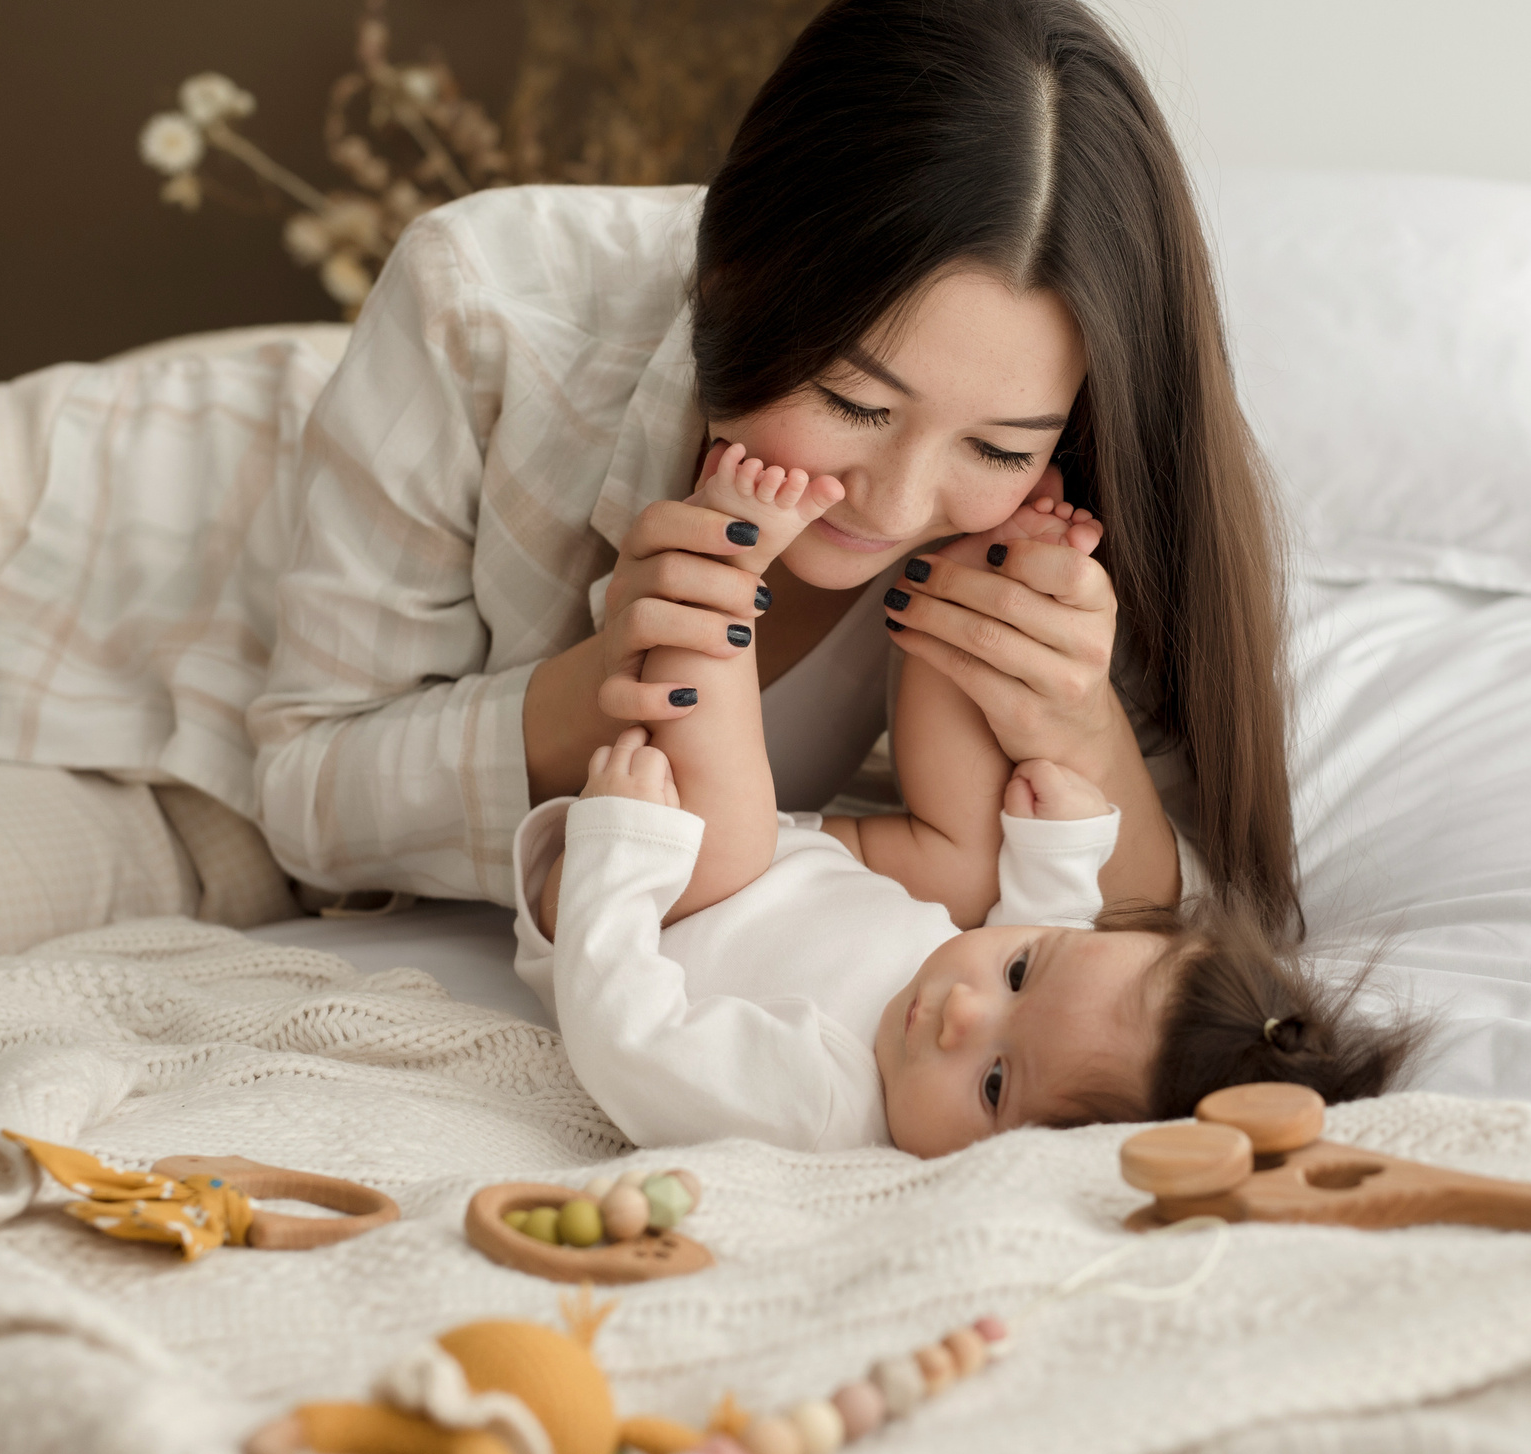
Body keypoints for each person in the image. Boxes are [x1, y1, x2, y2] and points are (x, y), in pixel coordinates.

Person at [0, 0, 1295, 1044]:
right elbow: (330, 706)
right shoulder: (499, 292)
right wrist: (616, 664)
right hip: (78, 531)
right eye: (851, 399)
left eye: (994, 440)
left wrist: (1070, 713)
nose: (900, 496)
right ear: (743, 269)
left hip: (220, 823)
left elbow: (1139, 943)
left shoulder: (1073, 513)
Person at [520, 444, 1405, 1154]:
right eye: (1020, 973)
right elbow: (1051, 926)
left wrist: (620, 859)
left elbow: (627, 1039)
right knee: (976, 859)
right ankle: (977, 574)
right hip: (810, 872)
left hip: (660, 900)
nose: (961, 1010)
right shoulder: (974, 997)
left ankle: (714, 561)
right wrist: (1055, 850)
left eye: (993, 1083)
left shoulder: (818, 1099)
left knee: (733, 832)